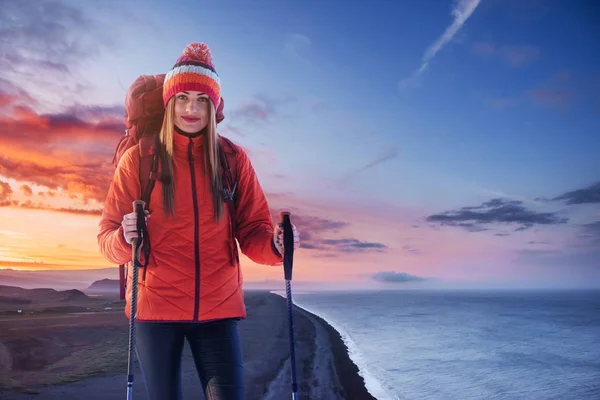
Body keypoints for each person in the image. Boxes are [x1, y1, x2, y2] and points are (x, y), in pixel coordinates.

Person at [97, 42, 300, 400]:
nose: (192, 109)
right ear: (169, 102)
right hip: (153, 309)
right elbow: (107, 238)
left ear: (215, 107)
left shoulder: (233, 161)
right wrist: (123, 238)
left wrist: (276, 247)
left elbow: (253, 231)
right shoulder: (138, 161)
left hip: (218, 309)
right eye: (183, 98)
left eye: (202, 100)